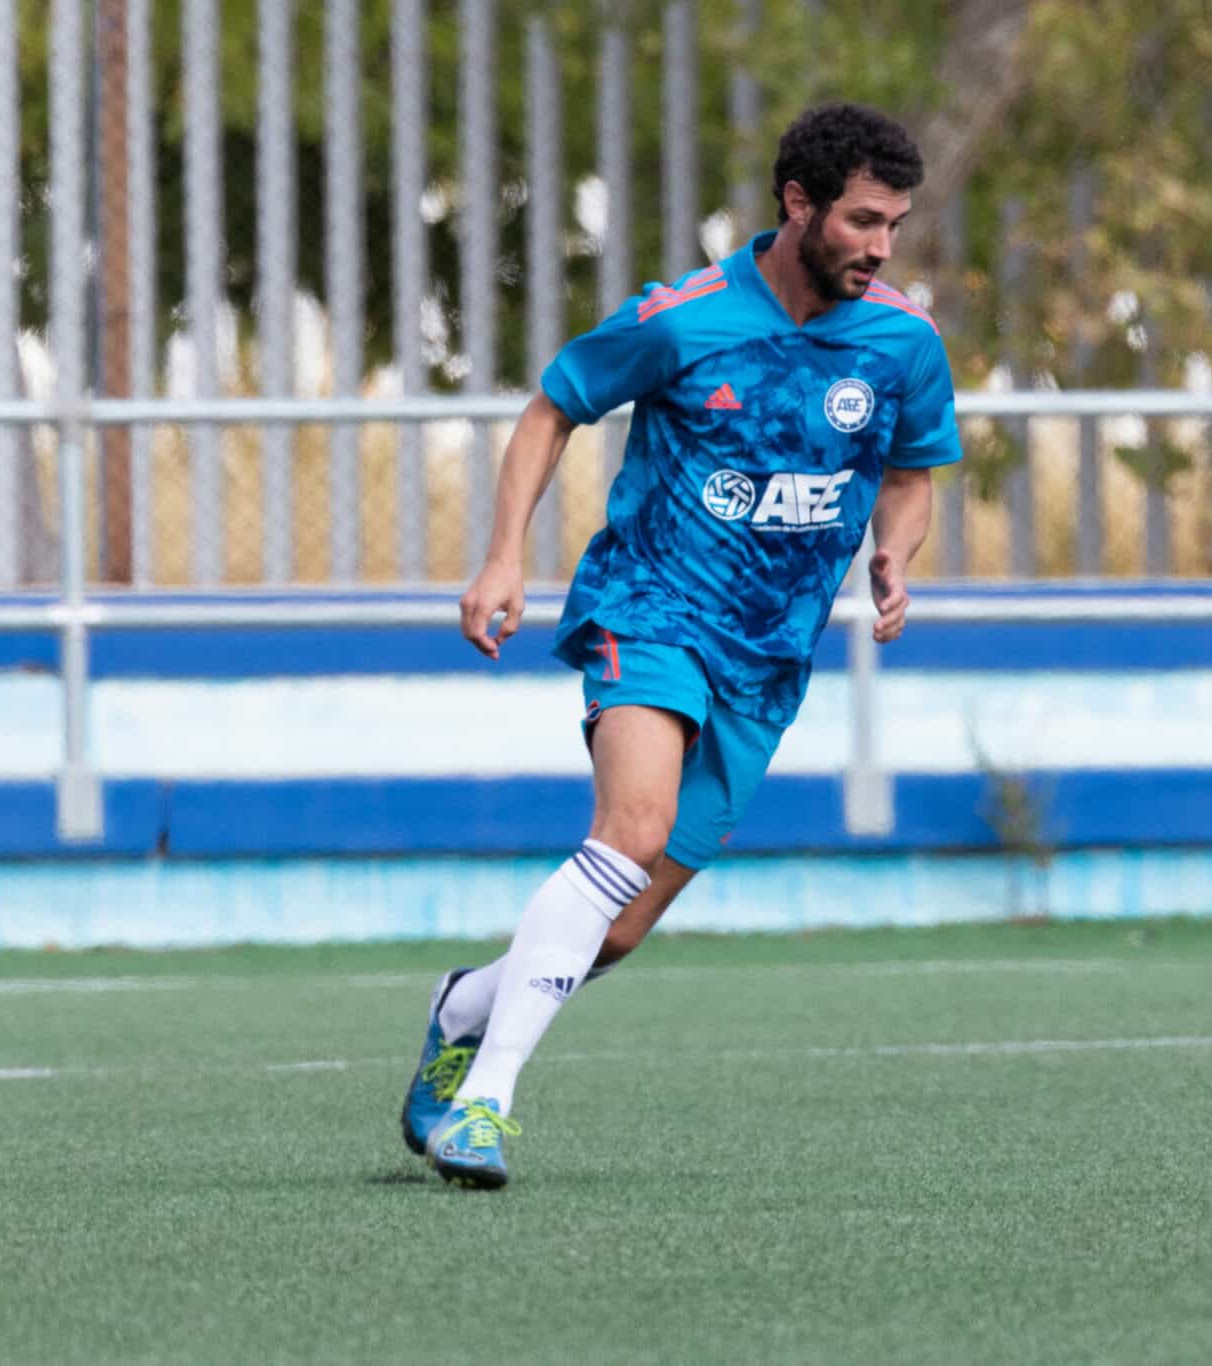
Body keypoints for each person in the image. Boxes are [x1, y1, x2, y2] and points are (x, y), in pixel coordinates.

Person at [401, 102, 962, 1189]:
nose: (881, 247)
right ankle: (483, 1106)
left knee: (613, 931)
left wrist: (896, 551)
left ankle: (464, 1005)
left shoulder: (903, 343)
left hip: (768, 656)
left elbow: (909, 474)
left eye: (894, 224)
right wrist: (504, 558)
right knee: (632, 825)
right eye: (862, 220)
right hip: (650, 608)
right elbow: (550, 409)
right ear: (797, 204)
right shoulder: (683, 319)